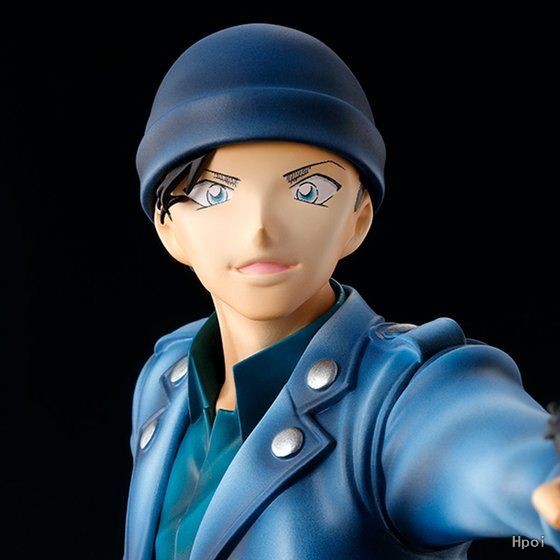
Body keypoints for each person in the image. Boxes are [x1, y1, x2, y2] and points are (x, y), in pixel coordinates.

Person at [124, 24, 560, 560]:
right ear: (168, 229)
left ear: (358, 220)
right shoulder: (165, 381)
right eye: (214, 194)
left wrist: (537, 480)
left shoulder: (395, 397)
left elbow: (473, 438)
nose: (260, 228)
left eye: (308, 190)